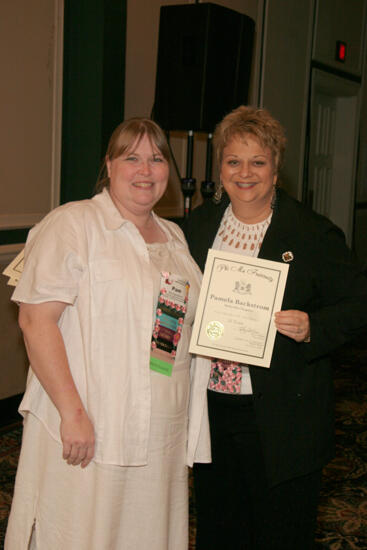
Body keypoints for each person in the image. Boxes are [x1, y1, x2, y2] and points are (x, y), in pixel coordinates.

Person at [5, 117, 211, 550]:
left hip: (160, 430)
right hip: (91, 423)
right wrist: (72, 412)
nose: (145, 169)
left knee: (144, 532)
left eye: (156, 159)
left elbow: (169, 334)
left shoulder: (173, 236)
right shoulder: (73, 224)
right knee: (85, 531)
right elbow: (34, 321)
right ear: (109, 166)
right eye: (131, 157)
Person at [184, 105, 367, 550]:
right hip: (211, 410)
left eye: (258, 162)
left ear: (276, 168)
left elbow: (359, 304)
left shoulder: (311, 233)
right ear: (220, 169)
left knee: (279, 534)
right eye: (233, 161)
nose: (245, 173)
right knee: (219, 530)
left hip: (282, 415)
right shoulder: (197, 228)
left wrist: (312, 327)